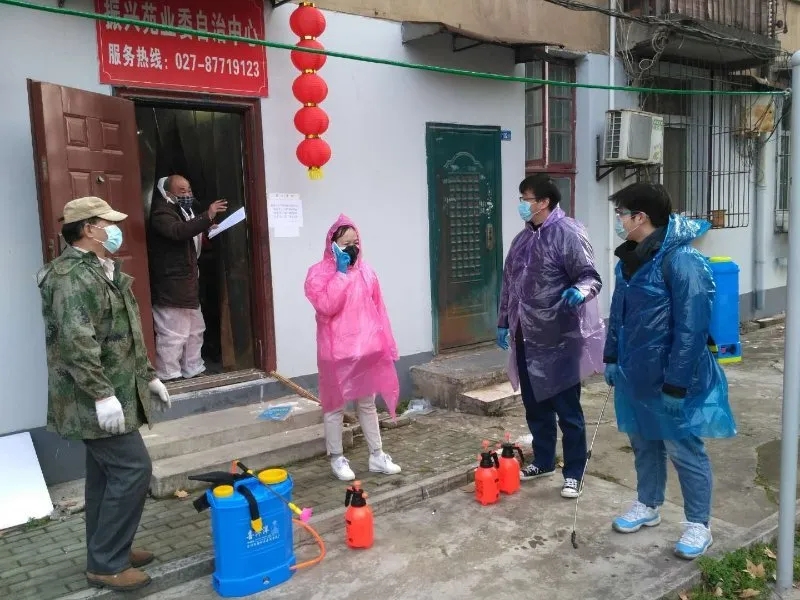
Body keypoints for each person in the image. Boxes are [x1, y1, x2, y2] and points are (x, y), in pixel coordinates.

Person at [37, 197, 172, 592]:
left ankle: (109, 551)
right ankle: (107, 563)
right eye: (107, 223)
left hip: (117, 390)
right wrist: (100, 395)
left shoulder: (103, 269)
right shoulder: (69, 277)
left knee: (104, 477)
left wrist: (148, 376)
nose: (115, 230)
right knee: (133, 470)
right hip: (91, 398)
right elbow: (77, 343)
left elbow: (125, 333)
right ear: (87, 229)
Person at [603, 182, 736, 560]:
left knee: (683, 447)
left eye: (621, 214)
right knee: (643, 441)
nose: (619, 221)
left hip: (675, 378)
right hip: (636, 373)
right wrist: (611, 356)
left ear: (640, 217)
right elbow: (619, 313)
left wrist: (677, 384)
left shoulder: (682, 261)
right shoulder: (629, 260)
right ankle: (648, 503)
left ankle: (699, 523)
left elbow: (692, 328)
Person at [497, 175, 605, 499]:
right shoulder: (521, 240)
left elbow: (590, 277)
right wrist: (504, 321)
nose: (521, 204)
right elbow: (509, 284)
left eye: (525, 198)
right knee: (535, 406)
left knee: (567, 410)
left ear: (544, 202)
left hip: (559, 338)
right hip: (524, 336)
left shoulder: (569, 233)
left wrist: (579, 291)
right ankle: (543, 460)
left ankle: (574, 472)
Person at [304, 214, 403, 481]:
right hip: (335, 353)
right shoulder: (318, 274)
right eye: (345, 243)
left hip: (365, 351)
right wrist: (340, 274)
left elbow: (379, 311)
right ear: (332, 245)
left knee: (368, 404)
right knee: (334, 406)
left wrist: (385, 345)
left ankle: (377, 455)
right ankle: (337, 458)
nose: (352, 247)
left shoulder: (367, 273)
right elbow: (327, 306)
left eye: (355, 242)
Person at [147, 175, 227, 381]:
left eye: (189, 190)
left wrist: (205, 229)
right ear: (167, 193)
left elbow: (189, 236)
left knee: (195, 329)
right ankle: (169, 375)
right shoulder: (161, 213)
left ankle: (193, 368)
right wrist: (207, 216)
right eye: (182, 191)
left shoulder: (184, 212)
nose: (188, 194)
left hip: (187, 283)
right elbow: (178, 232)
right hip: (172, 285)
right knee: (173, 333)